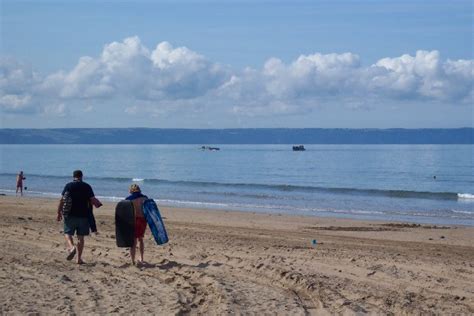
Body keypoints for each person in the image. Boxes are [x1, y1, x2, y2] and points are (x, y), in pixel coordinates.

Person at [57, 170, 102, 264]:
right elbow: (93, 200)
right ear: (82, 176)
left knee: (67, 233)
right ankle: (79, 259)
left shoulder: (69, 185)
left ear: (73, 176)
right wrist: (98, 204)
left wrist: (59, 212)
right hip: (84, 216)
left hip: (70, 215)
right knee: (81, 238)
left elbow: (62, 200)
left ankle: (71, 247)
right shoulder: (87, 186)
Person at [125, 183, 148, 266]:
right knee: (141, 239)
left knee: (133, 241)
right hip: (143, 220)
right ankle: (141, 258)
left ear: (131, 190)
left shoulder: (128, 199)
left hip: (134, 220)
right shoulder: (145, 198)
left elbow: (126, 212)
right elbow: (148, 210)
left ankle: (132, 260)